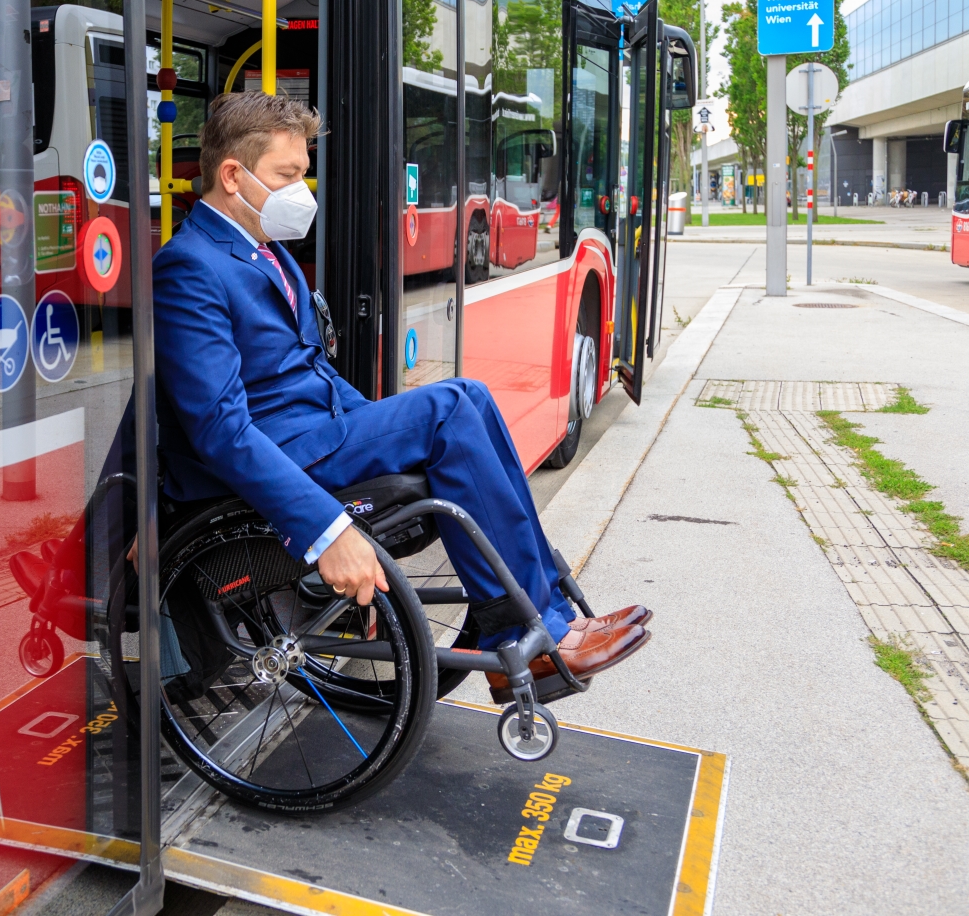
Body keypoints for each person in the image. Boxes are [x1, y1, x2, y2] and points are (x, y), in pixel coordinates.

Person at [152, 92, 650, 698]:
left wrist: (380, 429)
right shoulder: (189, 266)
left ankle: (552, 611)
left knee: (468, 396)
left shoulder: (266, 249)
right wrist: (325, 529)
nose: (301, 191)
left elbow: (310, 367)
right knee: (447, 411)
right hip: (270, 448)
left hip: (311, 430)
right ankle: (525, 628)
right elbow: (217, 428)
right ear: (233, 175)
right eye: (287, 175)